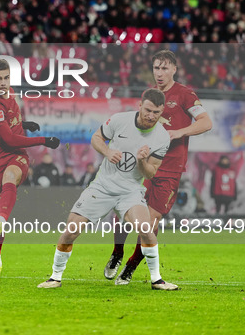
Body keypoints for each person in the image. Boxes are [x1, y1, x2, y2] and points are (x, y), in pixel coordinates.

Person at [38, 89, 178, 291]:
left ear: (162, 111)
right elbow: (96, 137)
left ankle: (157, 280)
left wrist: (142, 161)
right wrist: (107, 151)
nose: (151, 116)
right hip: (102, 187)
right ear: (140, 106)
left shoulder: (162, 138)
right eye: (147, 110)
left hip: (130, 191)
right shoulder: (120, 120)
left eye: (156, 112)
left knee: (146, 230)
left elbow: (150, 174)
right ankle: (54, 277)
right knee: (72, 230)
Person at [104, 49, 212, 285]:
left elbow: (206, 122)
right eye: (156, 68)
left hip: (170, 169)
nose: (160, 73)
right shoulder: (149, 94)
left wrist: (179, 132)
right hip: (143, 165)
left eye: (164, 68)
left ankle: (130, 267)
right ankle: (117, 252)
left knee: (149, 224)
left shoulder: (184, 94)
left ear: (174, 69)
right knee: (123, 212)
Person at [0, 59, 61, 284]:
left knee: (10, 178)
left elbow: (11, 129)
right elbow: (8, 138)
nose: (3, 83)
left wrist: (24, 123)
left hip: (16, 156)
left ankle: (2, 221)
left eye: (6, 78)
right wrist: (44, 139)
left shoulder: (11, 94)